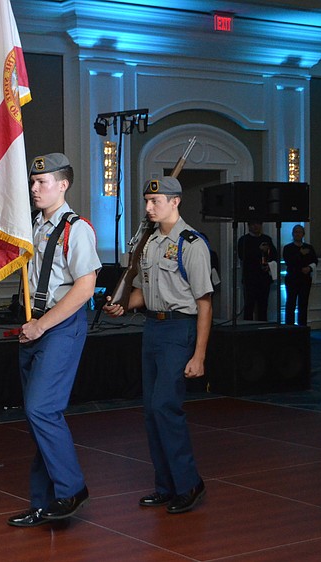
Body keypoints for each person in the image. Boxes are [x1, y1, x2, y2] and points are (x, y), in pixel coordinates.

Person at [104, 176, 211, 514]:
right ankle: (166, 486)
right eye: (148, 202)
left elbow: (205, 303)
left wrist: (200, 356)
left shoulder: (192, 244)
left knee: (166, 406)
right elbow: (147, 293)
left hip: (179, 331)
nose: (149, 208)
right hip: (152, 328)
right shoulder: (149, 244)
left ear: (175, 202)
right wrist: (124, 304)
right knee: (152, 411)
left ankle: (189, 483)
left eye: (156, 202)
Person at [4, 153, 100, 528]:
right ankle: (43, 502)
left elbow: (85, 287)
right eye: (32, 182)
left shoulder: (77, 229)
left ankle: (72, 489)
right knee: (37, 419)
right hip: (33, 327)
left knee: (42, 410)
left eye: (42, 182)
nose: (34, 189)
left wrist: (43, 325)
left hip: (58, 327)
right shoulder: (34, 226)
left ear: (63, 185)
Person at [237, 221, 277, 321]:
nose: (256, 226)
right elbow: (242, 256)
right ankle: (248, 329)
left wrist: (269, 265)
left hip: (264, 278)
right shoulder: (244, 240)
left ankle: (263, 329)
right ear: (248, 226)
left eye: (258, 224)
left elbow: (275, 255)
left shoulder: (267, 239)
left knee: (263, 306)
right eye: (253, 224)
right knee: (249, 306)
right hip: (250, 279)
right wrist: (258, 250)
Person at [283, 224, 318, 326]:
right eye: (296, 232)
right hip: (292, 279)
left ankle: (302, 327)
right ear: (292, 234)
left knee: (303, 303)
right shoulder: (288, 248)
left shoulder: (309, 247)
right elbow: (289, 261)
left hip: (305, 279)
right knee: (291, 303)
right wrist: (300, 254)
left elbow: (315, 260)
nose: (297, 234)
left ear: (303, 234)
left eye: (300, 232)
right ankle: (289, 326)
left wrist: (309, 268)